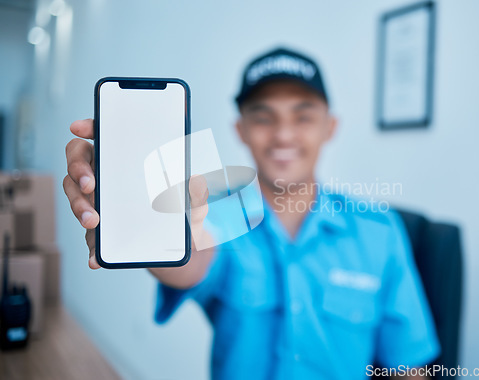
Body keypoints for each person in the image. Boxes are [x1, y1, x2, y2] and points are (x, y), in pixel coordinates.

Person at [63, 47, 440, 379]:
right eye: (263, 117)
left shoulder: (379, 232)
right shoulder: (214, 211)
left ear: (331, 127)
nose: (283, 135)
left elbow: (407, 368)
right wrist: (140, 210)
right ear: (241, 129)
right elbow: (190, 258)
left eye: (303, 116)